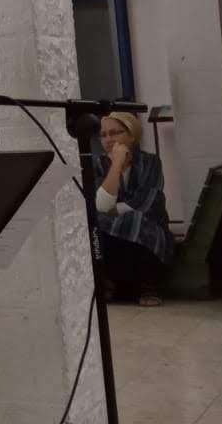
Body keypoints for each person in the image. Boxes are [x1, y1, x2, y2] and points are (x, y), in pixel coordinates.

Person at [93, 111, 172, 306]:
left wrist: (115, 211)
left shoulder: (151, 162)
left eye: (115, 133)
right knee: (98, 223)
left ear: (131, 135)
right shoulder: (98, 164)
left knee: (135, 220)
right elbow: (101, 205)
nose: (108, 139)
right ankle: (110, 283)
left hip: (147, 221)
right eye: (103, 135)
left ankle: (149, 286)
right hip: (111, 227)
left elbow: (148, 201)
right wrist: (116, 165)